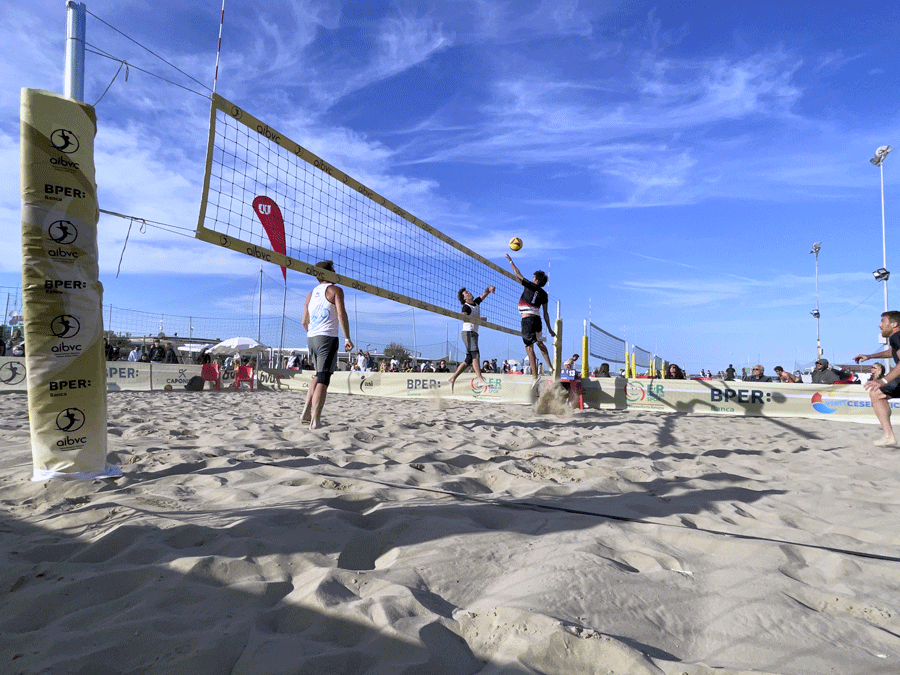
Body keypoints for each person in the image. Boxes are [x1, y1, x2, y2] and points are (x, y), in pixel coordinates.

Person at [300, 260, 354, 430]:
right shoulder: (335, 290)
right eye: (333, 270)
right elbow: (341, 313)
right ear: (327, 273)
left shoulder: (310, 294)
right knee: (324, 378)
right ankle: (315, 420)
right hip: (327, 337)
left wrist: (313, 331)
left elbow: (303, 322)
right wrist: (347, 338)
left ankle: (305, 412)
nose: (336, 272)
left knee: (318, 374)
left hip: (311, 337)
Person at [506, 253, 555, 382]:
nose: (532, 278)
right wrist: (549, 329)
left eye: (534, 277)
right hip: (537, 320)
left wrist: (510, 261)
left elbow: (518, 273)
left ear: (536, 280)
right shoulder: (544, 294)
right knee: (539, 342)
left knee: (529, 348)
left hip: (527, 320)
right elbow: (545, 313)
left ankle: (534, 377)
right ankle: (550, 367)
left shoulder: (530, 285)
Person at [854, 310, 900, 446]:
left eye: (883, 322)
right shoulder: (897, 339)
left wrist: (882, 381)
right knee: (877, 394)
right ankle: (888, 436)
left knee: (876, 392)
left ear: (894, 324)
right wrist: (870, 356)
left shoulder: (896, 336)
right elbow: (892, 352)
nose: (879, 325)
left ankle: (888, 436)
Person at [448, 284, 496, 391]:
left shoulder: (476, 302)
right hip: (468, 332)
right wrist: (478, 319)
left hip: (473, 333)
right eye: (466, 293)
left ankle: (453, 378)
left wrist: (489, 288)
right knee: (475, 354)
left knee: (469, 359)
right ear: (464, 298)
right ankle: (480, 379)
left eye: (468, 291)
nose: (469, 293)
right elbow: (463, 317)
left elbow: (485, 293)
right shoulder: (466, 307)